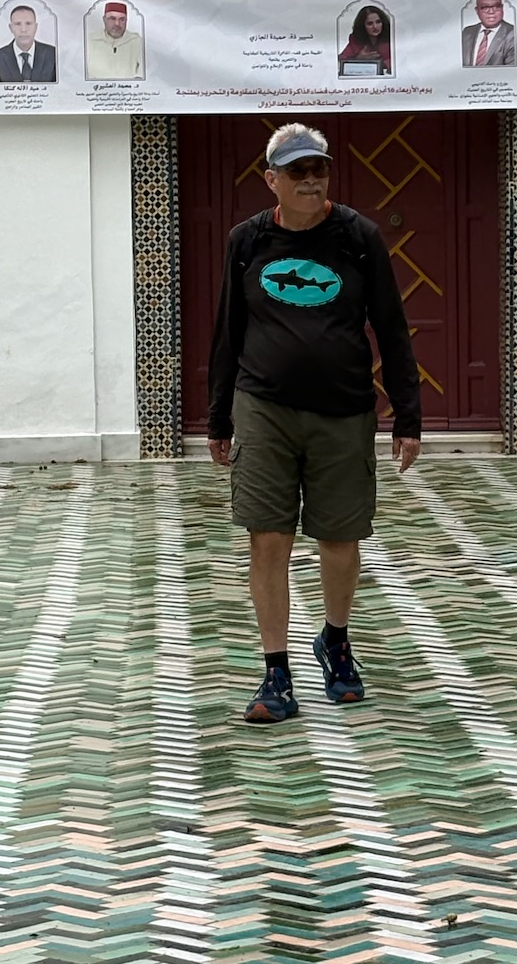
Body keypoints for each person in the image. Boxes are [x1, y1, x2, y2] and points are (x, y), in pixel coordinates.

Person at [208, 123, 422, 725]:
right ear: (271, 179)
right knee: (267, 537)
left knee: (339, 538)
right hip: (263, 408)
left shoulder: (359, 238)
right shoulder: (247, 242)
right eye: (297, 171)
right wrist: (219, 415)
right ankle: (275, 672)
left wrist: (408, 416)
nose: (310, 180)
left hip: (343, 410)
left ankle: (335, 640)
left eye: (319, 169)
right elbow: (228, 331)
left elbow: (391, 327)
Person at [0, 5, 56, 82]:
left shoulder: (53, 54)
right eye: (18, 24)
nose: (23, 30)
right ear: (11, 28)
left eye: (28, 23)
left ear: (36, 27)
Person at [85, 1, 144, 80]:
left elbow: (143, 76)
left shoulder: (138, 42)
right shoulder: (89, 42)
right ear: (104, 20)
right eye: (112, 19)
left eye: (122, 19)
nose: (117, 24)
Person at [461, 0, 515, 66]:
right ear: (477, 10)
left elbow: (512, 71)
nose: (491, 11)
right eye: (485, 7)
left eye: (496, 6)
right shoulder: (466, 32)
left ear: (502, 8)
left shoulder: (514, 34)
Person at [337, 5, 392, 74]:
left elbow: (400, 59)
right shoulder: (356, 40)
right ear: (362, 26)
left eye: (378, 22)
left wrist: (382, 64)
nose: (375, 26)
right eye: (370, 23)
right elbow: (341, 59)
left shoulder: (392, 37)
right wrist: (357, 59)